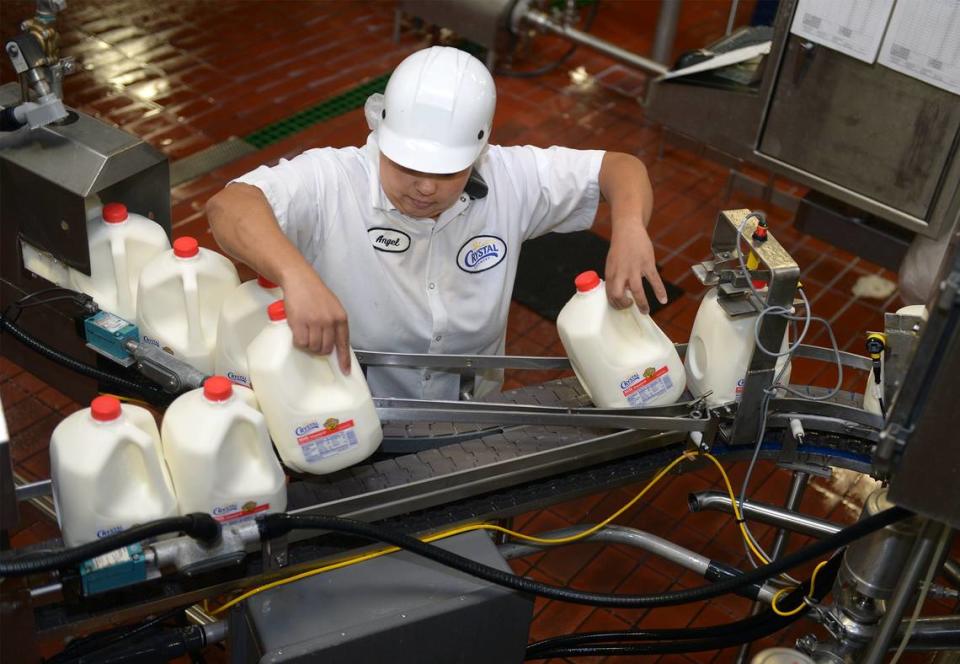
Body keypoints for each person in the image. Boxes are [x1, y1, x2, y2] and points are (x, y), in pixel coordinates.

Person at [206, 46, 666, 400]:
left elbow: (620, 167)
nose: (425, 188)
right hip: (345, 407)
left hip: (473, 409)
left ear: (479, 151)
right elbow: (230, 207)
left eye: (447, 172)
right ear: (381, 136)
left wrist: (629, 227)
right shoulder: (333, 180)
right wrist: (297, 276)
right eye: (408, 166)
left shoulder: (510, 178)